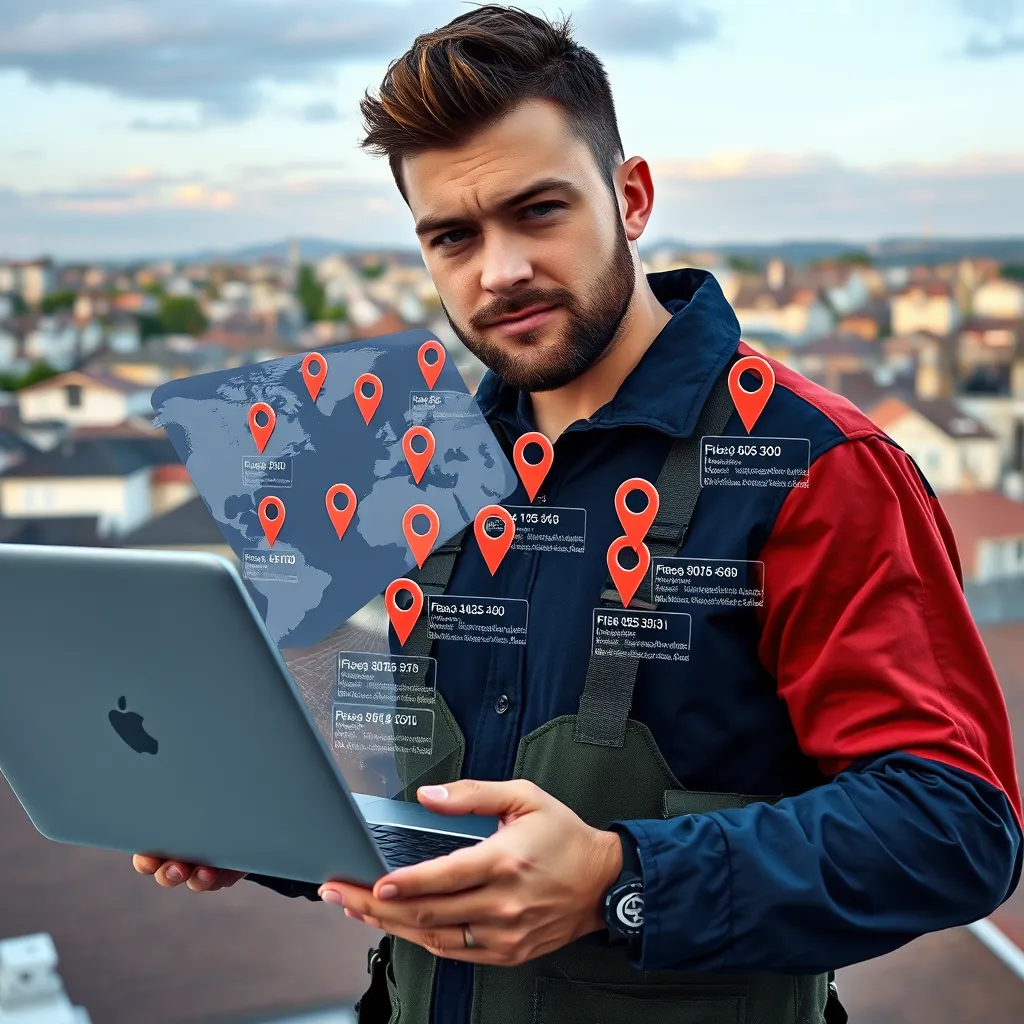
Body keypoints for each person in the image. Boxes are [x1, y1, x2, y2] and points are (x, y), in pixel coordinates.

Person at [134, 6, 1022, 1024]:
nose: (497, 269)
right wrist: (255, 825)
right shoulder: (403, 454)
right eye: (452, 236)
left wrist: (615, 876)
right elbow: (412, 808)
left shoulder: (816, 466)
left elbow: (953, 825)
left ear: (630, 197)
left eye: (538, 211)